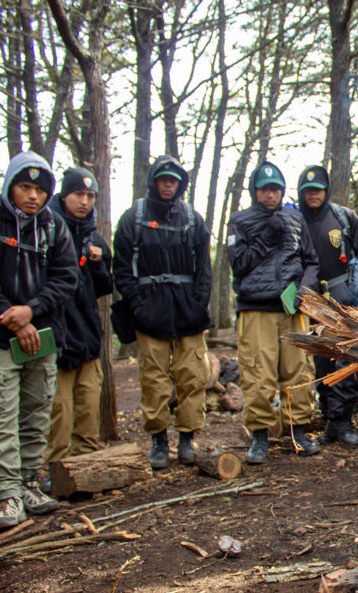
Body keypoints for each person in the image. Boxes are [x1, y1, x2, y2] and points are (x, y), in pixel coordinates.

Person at [0, 151, 77, 531]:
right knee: (1, 415)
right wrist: (10, 314)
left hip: (41, 335)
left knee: (37, 412)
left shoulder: (54, 227)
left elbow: (66, 277)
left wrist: (31, 310)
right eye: (25, 187)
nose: (33, 196)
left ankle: (28, 484)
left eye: (40, 190)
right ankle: (6, 494)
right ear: (11, 186)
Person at [113, 156, 212, 469]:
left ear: (181, 184)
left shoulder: (193, 219)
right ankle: (158, 440)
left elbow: (204, 268)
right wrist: (137, 305)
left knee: (192, 376)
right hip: (150, 310)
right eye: (163, 179)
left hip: (187, 310)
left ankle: (187, 439)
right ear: (154, 181)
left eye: (174, 180)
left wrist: (198, 304)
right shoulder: (134, 218)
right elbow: (121, 267)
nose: (168, 185)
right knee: (153, 378)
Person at [228, 161, 322, 460]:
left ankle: (298, 431)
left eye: (276, 189)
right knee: (258, 372)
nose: (270, 195)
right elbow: (239, 264)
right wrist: (267, 235)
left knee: (298, 369)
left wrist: (305, 289)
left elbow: (311, 260)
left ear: (282, 191)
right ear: (255, 191)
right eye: (264, 190)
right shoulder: (240, 221)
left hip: (292, 309)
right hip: (256, 309)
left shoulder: (296, 219)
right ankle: (259, 436)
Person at [43, 168, 113, 468]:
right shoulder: (45, 230)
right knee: (58, 407)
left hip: (87, 334)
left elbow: (105, 287)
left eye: (90, 196)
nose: (84, 201)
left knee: (88, 403)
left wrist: (97, 264)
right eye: (78, 194)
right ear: (64, 196)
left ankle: (85, 467)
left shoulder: (93, 238)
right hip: (57, 335)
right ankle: (54, 468)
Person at [297, 165, 358, 446]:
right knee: (321, 362)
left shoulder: (344, 218)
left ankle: (343, 420)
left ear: (326, 191)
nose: (313, 195)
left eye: (317, 190)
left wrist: (357, 291)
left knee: (349, 360)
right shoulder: (294, 221)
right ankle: (330, 420)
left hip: (345, 300)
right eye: (307, 191)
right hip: (312, 303)